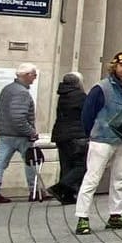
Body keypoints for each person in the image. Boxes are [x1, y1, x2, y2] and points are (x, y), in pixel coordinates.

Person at [74, 52, 122, 235]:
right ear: (114, 66)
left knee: (120, 178)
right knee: (92, 178)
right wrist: (90, 134)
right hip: (102, 138)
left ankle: (115, 215)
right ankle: (82, 217)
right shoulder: (101, 88)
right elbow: (87, 114)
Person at [0, 63, 40, 203]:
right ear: (27, 75)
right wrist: (31, 131)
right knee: (31, 162)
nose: (35, 78)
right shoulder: (21, 92)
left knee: (0, 162)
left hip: (5, 133)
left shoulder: (7, 89)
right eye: (34, 75)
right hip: (20, 135)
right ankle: (34, 191)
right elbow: (18, 117)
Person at [49, 72, 88, 204]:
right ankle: (60, 187)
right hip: (76, 135)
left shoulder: (63, 95)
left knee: (66, 165)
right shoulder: (80, 96)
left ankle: (67, 195)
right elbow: (87, 114)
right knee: (81, 165)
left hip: (60, 134)